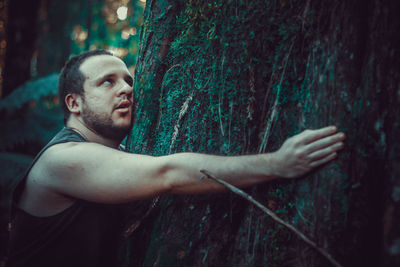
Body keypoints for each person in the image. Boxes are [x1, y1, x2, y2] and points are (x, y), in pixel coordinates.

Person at [6, 49, 345, 266]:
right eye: (106, 82)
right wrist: (278, 163)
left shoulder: (113, 156)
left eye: (128, 80)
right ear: (74, 103)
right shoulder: (61, 160)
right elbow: (167, 173)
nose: (126, 88)